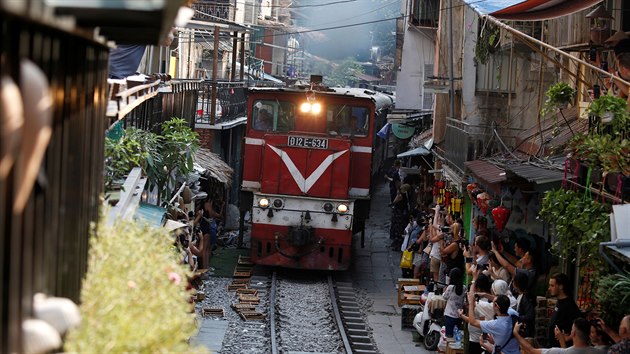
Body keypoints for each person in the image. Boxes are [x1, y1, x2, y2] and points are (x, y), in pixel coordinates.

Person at [513, 317, 604, 354]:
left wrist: (516, 334)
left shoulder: (560, 352)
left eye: (572, 329)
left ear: (574, 333)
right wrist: (561, 340)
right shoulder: (600, 352)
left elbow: (531, 350)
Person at [547, 273, 582, 348]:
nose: (549, 288)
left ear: (560, 286)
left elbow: (580, 327)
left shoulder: (569, 306)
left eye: (552, 286)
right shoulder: (559, 301)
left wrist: (568, 337)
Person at [468, 273, 495, 354]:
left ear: (479, 288)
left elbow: (483, 323)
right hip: (475, 338)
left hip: (478, 340)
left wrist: (463, 317)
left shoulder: (484, 302)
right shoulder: (484, 299)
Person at [443, 267, 465, 338]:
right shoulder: (464, 288)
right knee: (456, 336)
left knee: (449, 336)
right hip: (459, 316)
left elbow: (444, 297)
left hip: (449, 315)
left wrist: (444, 290)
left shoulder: (450, 287)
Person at [513, 271, 536, 338]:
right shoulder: (519, 295)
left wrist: (517, 317)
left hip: (526, 332)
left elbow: (530, 315)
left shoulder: (526, 298)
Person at [389, 184, 410, 251]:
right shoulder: (406, 195)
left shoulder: (401, 196)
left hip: (399, 214)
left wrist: (397, 195)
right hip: (402, 214)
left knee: (397, 229)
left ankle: (397, 244)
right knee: (399, 229)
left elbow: (394, 202)